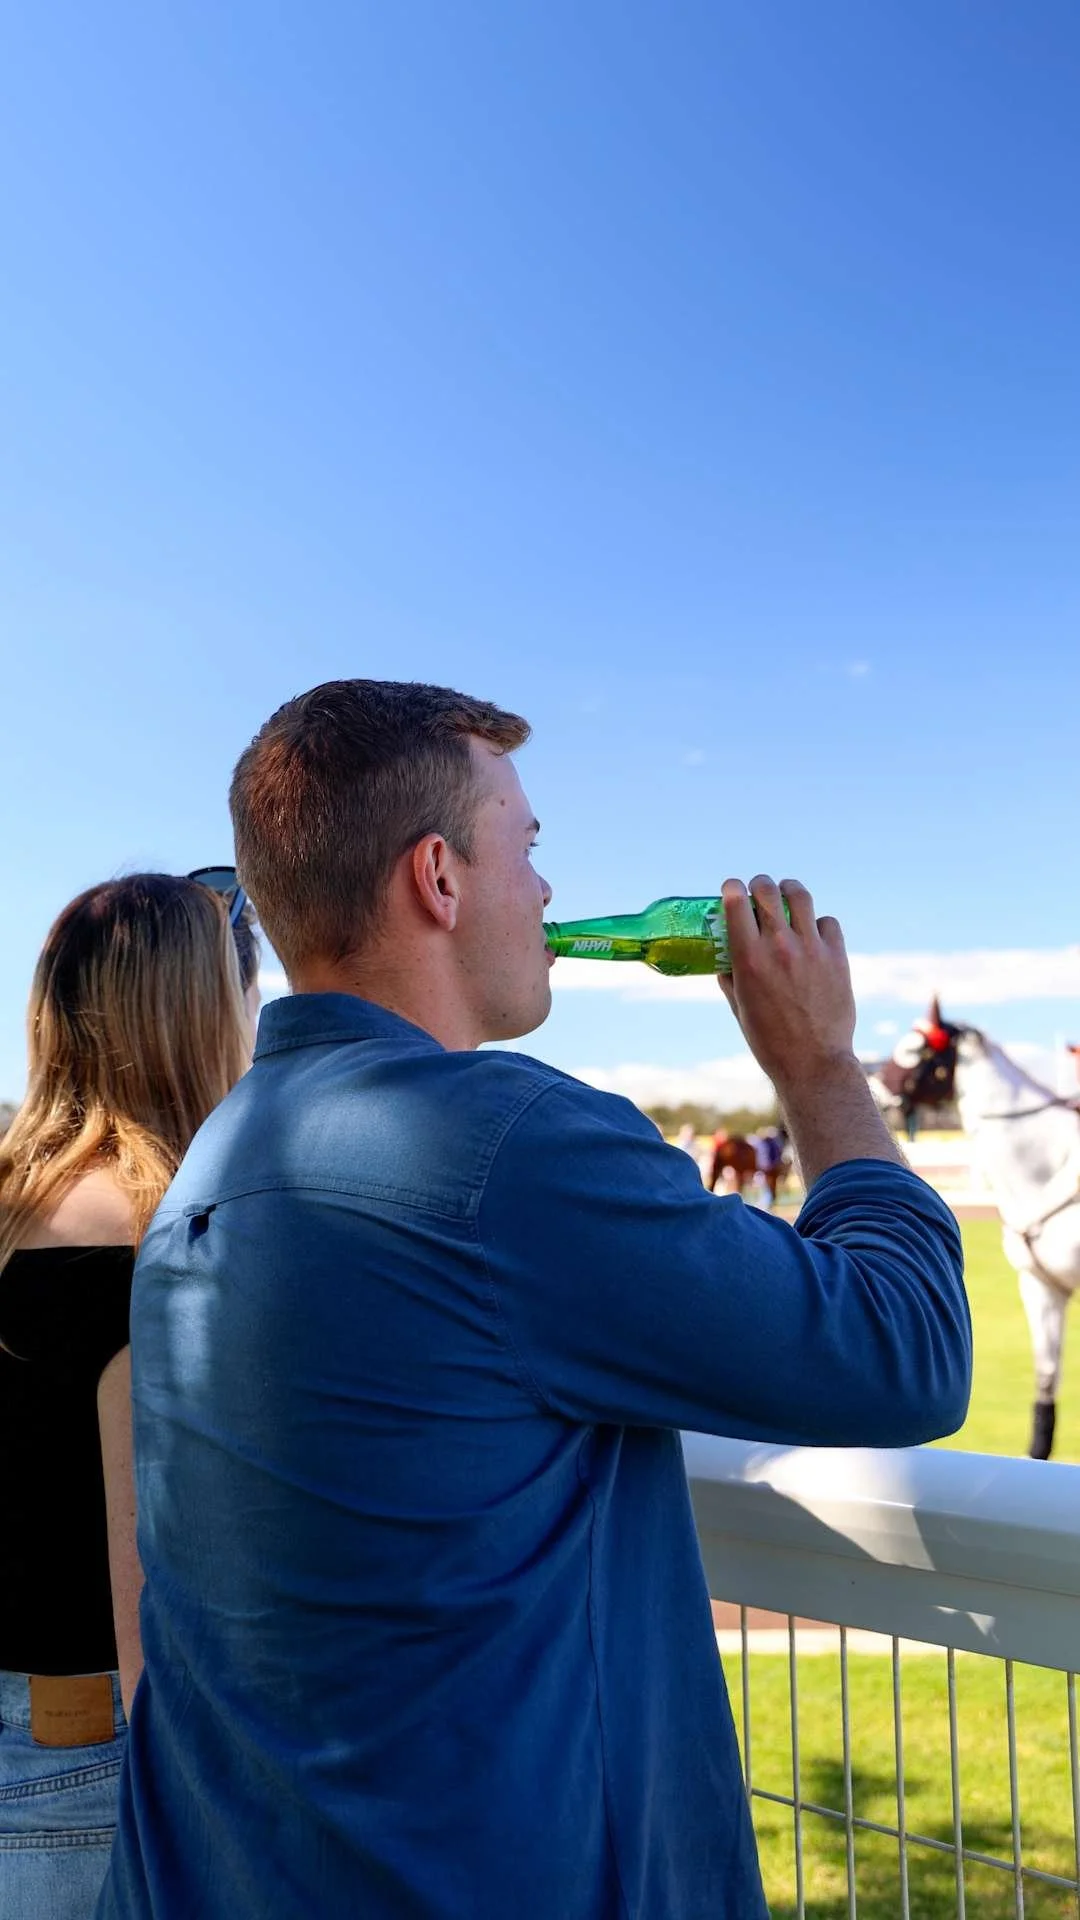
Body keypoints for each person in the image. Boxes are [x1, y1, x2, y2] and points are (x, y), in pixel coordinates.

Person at [100, 680, 970, 1920]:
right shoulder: (505, 1146)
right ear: (440, 880)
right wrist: (819, 1064)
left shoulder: (223, 1152)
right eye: (532, 848)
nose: (551, 894)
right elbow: (907, 1347)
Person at [0, 873, 257, 1920]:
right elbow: (149, 1587)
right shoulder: (157, 1236)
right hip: (86, 1763)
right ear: (204, 1015)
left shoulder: (18, 1204)